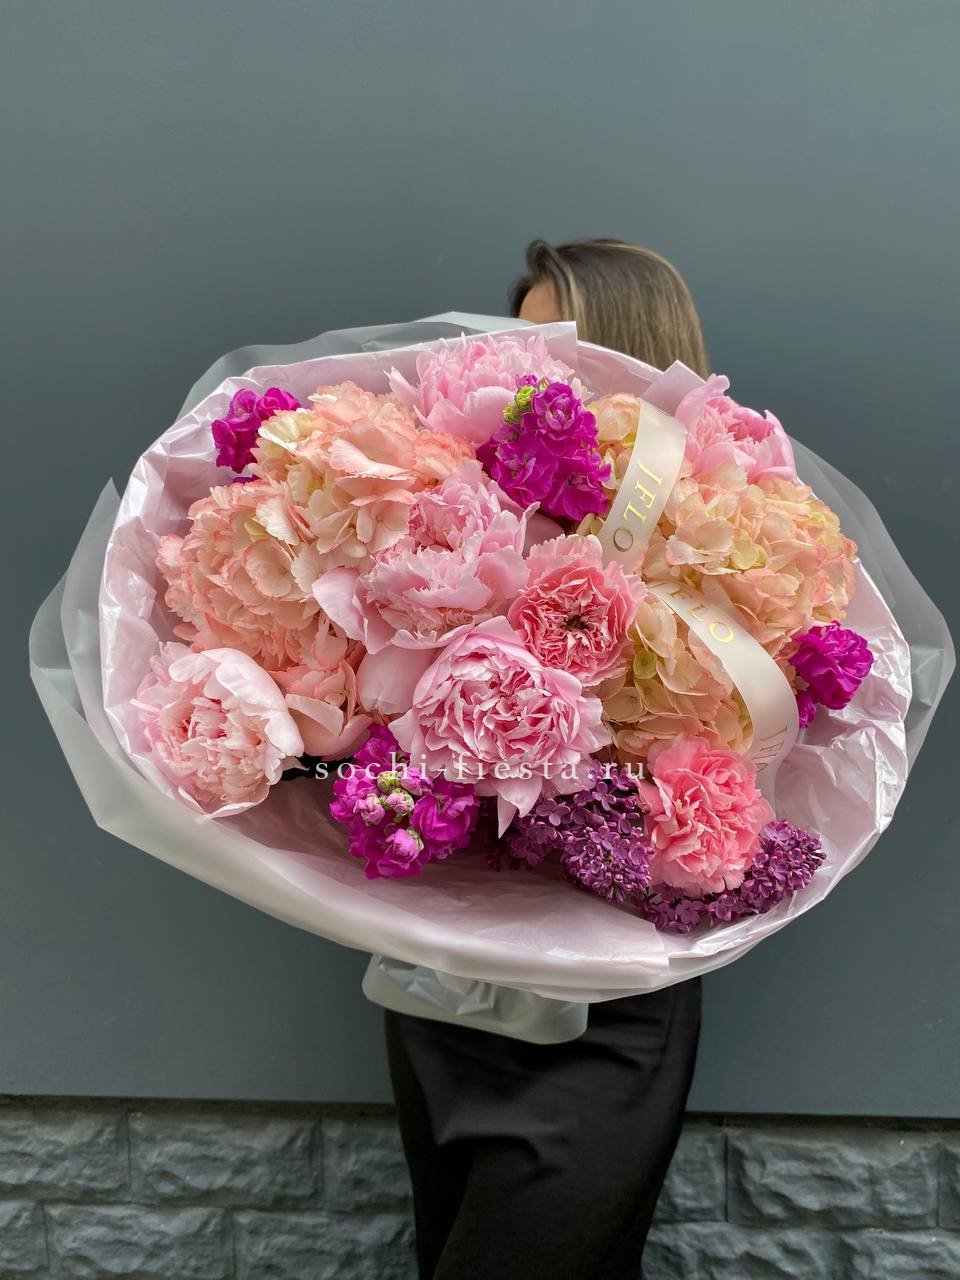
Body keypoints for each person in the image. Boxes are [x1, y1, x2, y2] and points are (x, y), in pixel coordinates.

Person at [384, 238, 708, 1280]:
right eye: (519, 345)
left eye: (559, 345)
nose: (531, 372)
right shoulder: (458, 511)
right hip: (446, 990)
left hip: (605, 1005)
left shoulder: (717, 521)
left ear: (629, 353)